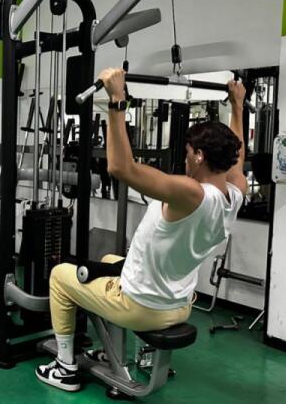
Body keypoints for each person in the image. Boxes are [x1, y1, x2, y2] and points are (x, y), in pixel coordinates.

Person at [36, 68, 247, 392]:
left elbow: (121, 168)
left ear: (200, 156)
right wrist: (237, 107)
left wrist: (117, 100)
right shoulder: (235, 192)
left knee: (60, 276)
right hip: (180, 303)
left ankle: (65, 367)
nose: (185, 161)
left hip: (143, 307)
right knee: (110, 260)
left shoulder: (191, 194)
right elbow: (238, 157)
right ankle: (120, 351)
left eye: (188, 154)